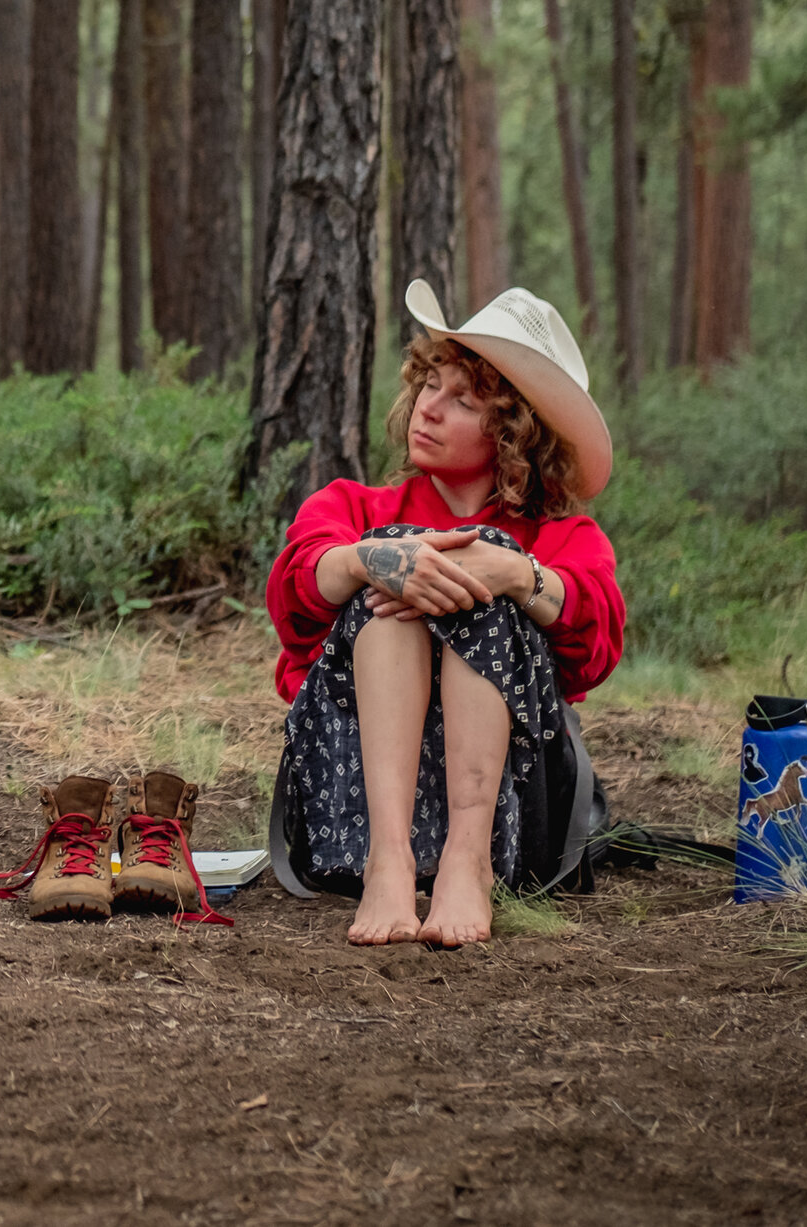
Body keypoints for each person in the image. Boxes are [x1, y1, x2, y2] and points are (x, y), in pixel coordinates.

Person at [263, 282, 624, 947]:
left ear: (516, 432)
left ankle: (467, 860)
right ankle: (390, 861)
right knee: (395, 574)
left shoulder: (563, 537)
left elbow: (597, 640)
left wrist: (517, 574)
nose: (428, 406)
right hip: (352, 808)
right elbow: (291, 602)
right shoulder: (355, 506)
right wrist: (369, 560)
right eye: (431, 383)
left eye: (462, 399)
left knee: (483, 577)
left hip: (510, 816)